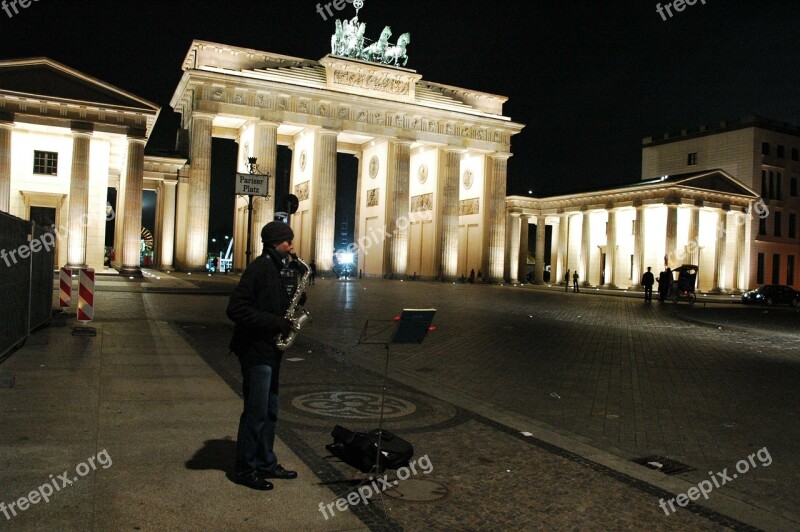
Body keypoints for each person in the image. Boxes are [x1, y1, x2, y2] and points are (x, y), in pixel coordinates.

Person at [227, 221, 298, 491]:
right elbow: (235, 309)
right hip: (256, 352)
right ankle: (245, 469)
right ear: (276, 243)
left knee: (270, 411)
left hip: (271, 351)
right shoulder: (259, 269)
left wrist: (294, 302)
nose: (291, 246)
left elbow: (272, 304)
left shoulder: (278, 268)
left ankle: (266, 461)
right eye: (288, 241)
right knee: (255, 413)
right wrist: (274, 322)